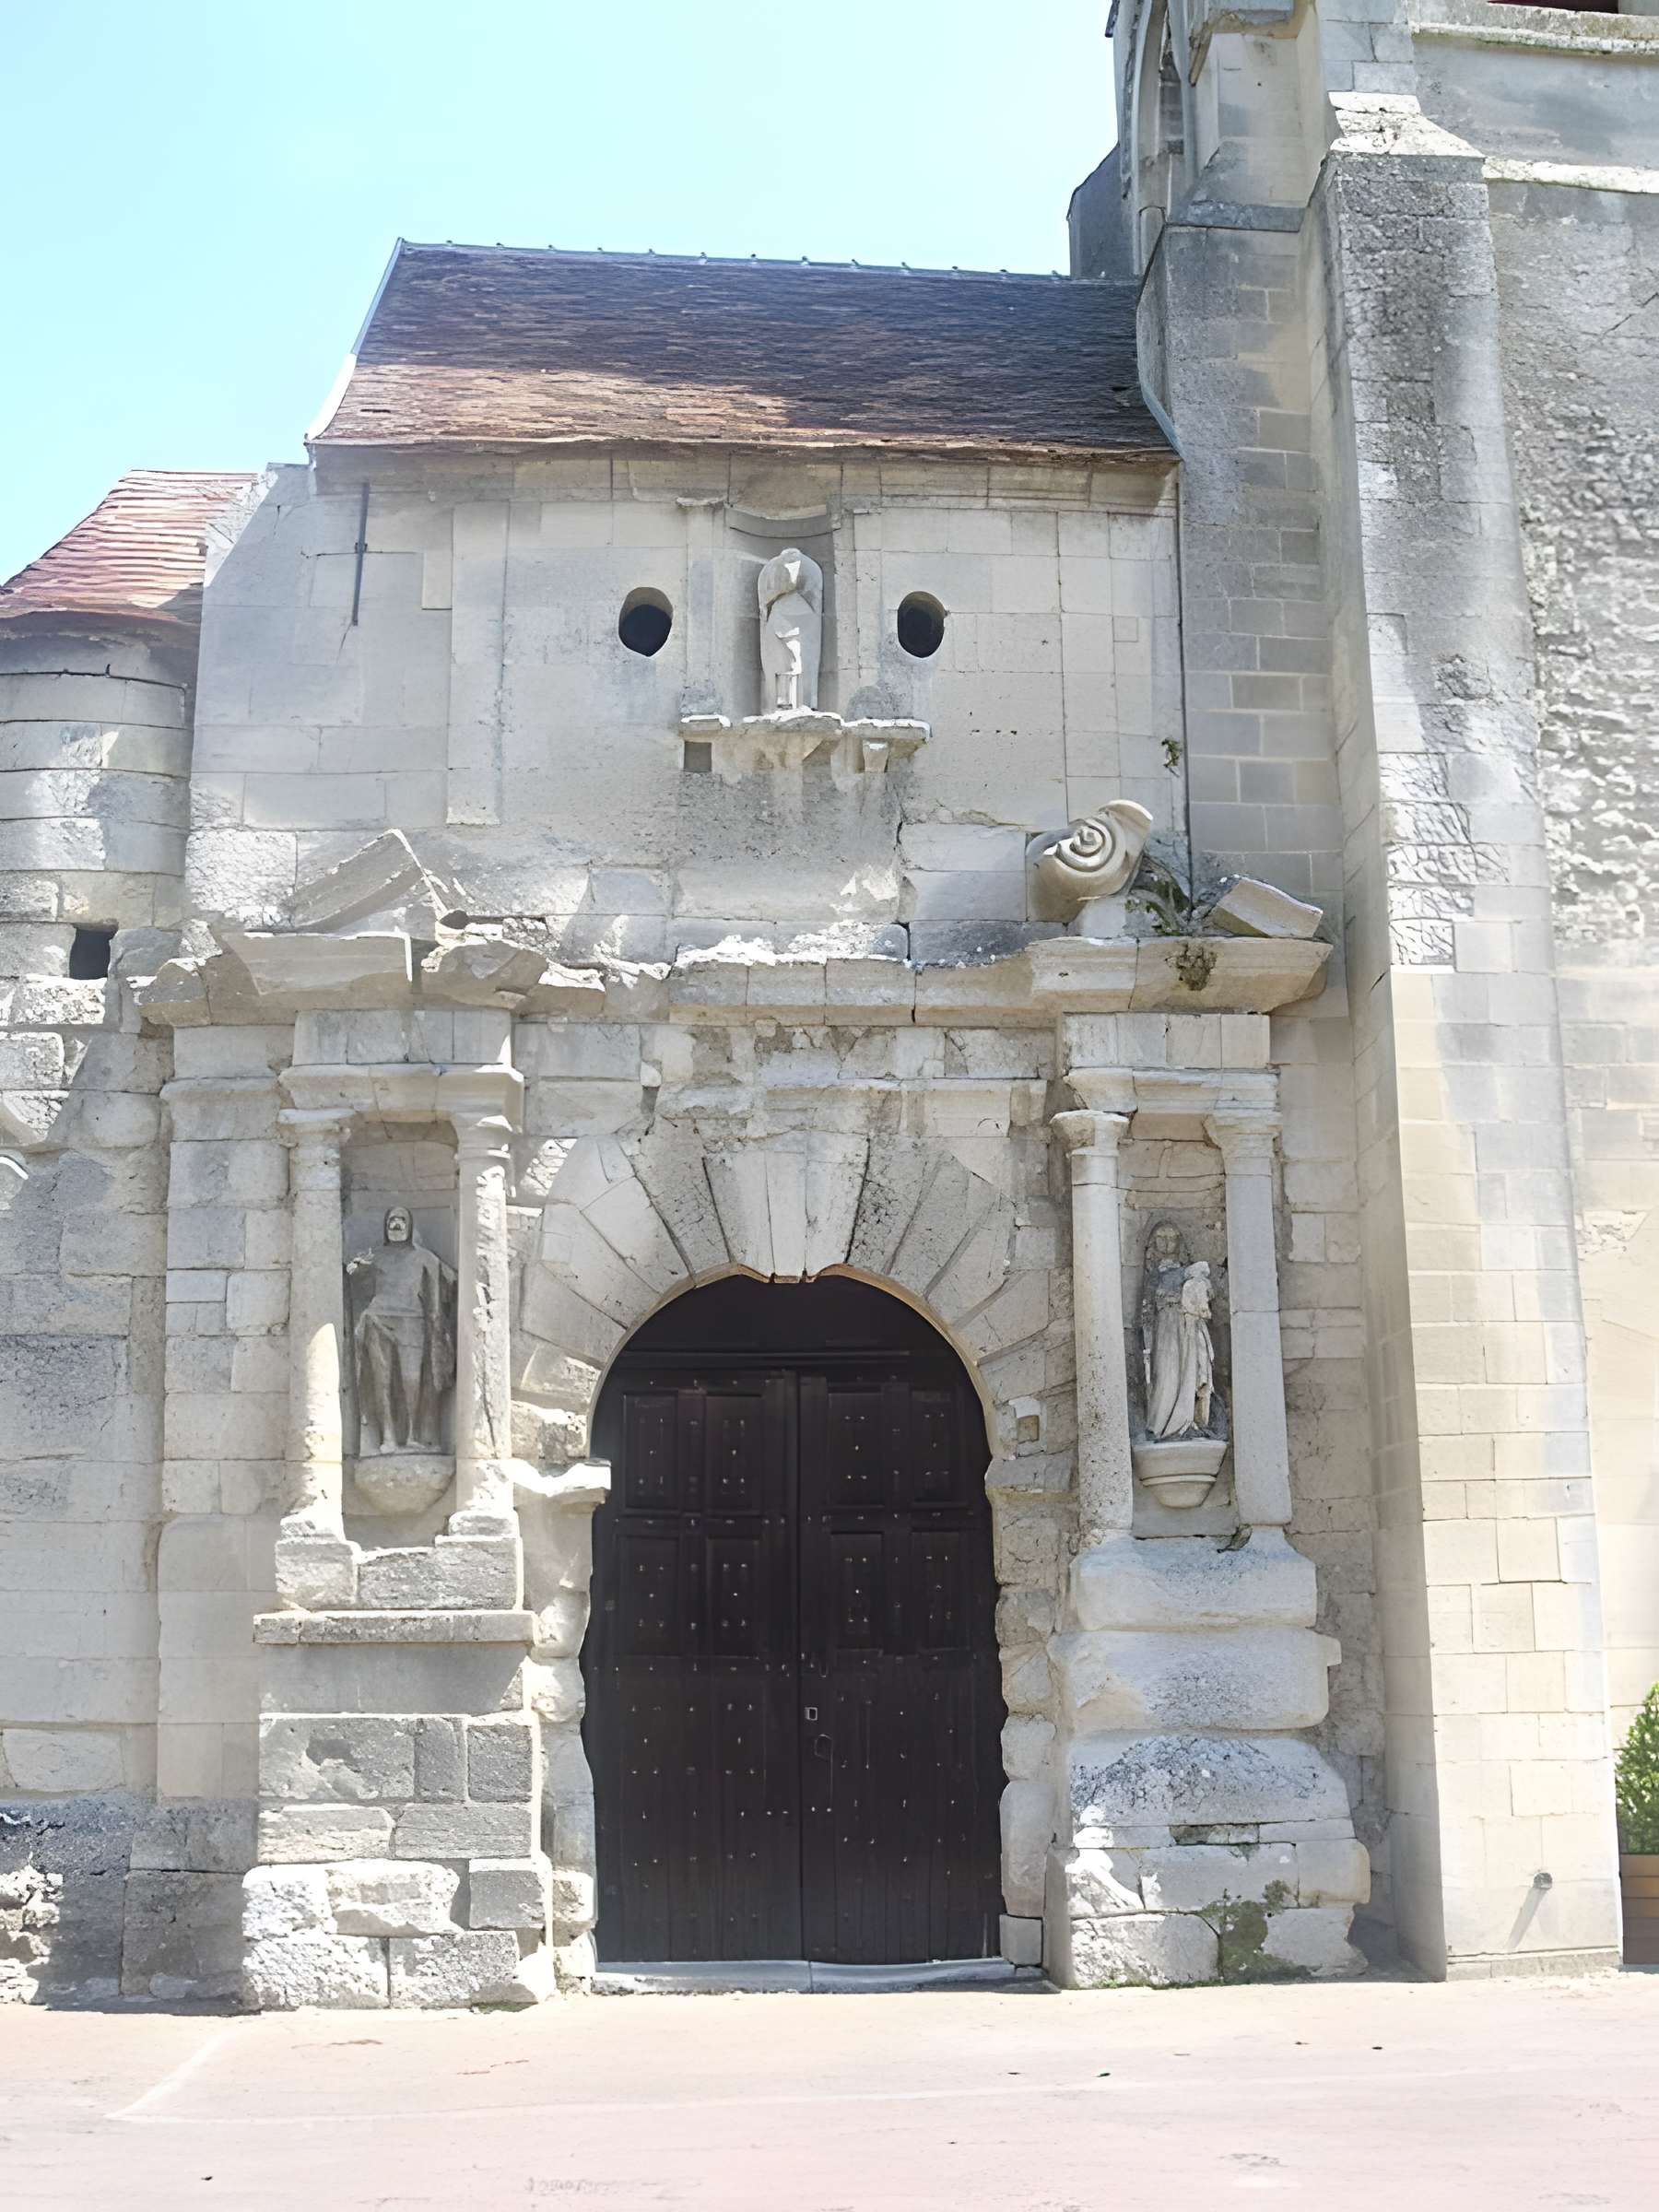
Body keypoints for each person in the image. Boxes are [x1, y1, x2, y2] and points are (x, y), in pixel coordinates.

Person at [347, 1204, 456, 1453]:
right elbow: (355, 1278)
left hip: (412, 1320)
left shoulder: (425, 1257)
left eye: (401, 1220)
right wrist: (355, 1268)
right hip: (378, 1318)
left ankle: (412, 1436)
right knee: (382, 1380)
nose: (396, 1224)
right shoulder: (375, 1254)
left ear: (410, 1226)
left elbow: (449, 1282)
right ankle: (387, 1437)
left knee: (411, 1379)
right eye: (392, 1220)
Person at [757, 547, 823, 712]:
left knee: (797, 663)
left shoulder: (803, 605)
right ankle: (781, 703)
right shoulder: (778, 604)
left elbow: (811, 638)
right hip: (780, 625)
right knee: (780, 664)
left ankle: (800, 702)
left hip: (796, 625)